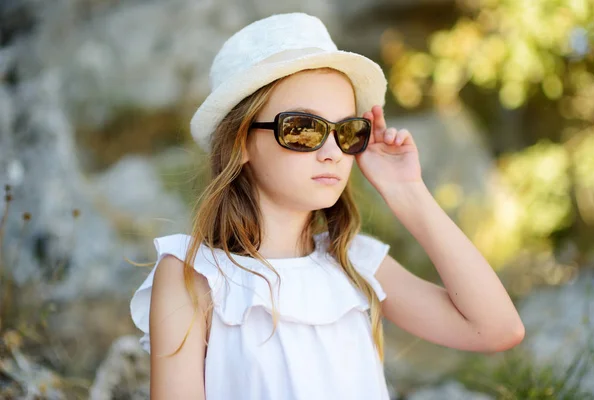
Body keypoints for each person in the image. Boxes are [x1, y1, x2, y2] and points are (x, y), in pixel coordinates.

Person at [129, 12, 525, 400]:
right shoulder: (193, 275)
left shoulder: (356, 264)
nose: (333, 152)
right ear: (242, 142)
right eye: (303, 129)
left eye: (348, 131)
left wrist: (407, 190)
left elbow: (497, 329)